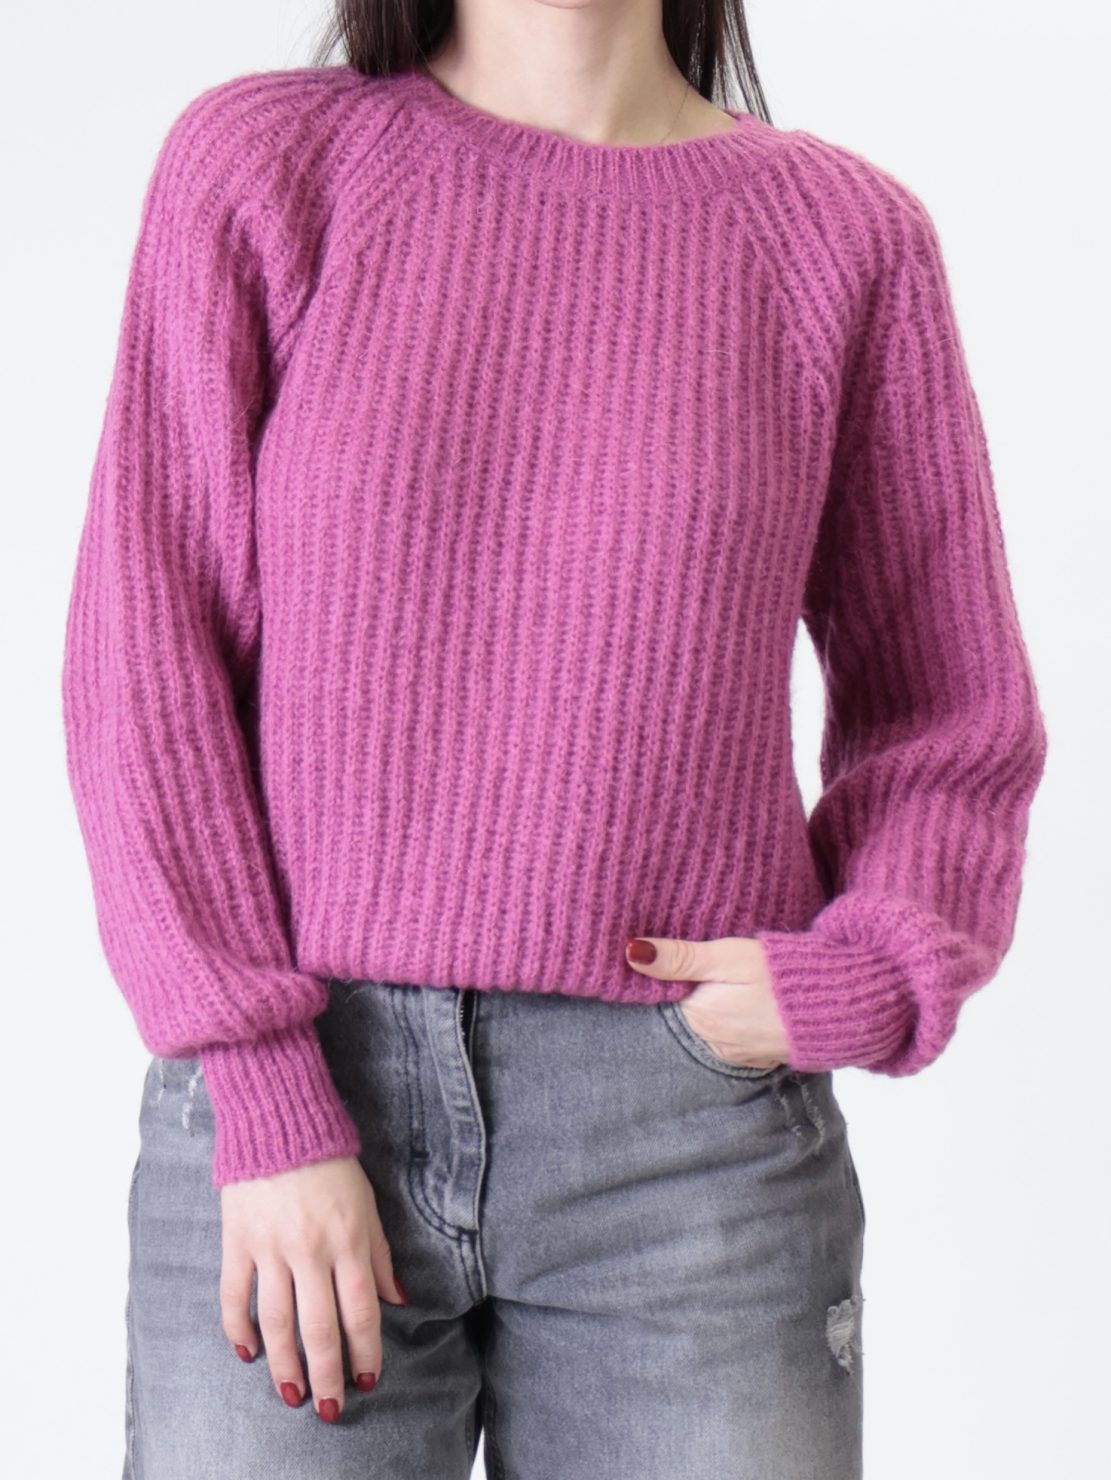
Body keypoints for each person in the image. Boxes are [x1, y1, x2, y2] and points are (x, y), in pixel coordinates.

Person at [60, 2, 1049, 1476]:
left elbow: (948, 708)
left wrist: (870, 969)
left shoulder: (844, 240)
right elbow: (146, 653)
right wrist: (260, 1082)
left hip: (686, 1147)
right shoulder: (269, 169)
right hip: (299, 1095)